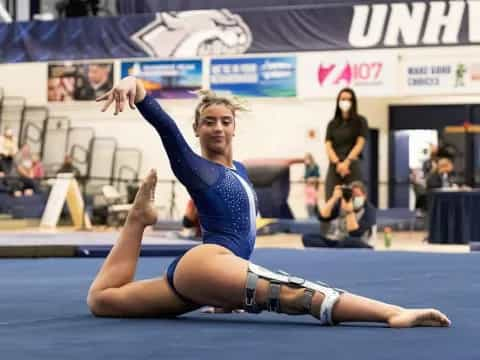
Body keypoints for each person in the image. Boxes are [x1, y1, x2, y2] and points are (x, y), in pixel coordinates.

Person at [87, 76, 450, 329]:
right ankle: (392, 313)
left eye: (224, 121)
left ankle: (138, 219)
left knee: (104, 301)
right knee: (293, 294)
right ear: (196, 129)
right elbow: (164, 125)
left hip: (209, 276)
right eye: (208, 122)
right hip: (208, 262)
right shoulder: (195, 169)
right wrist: (133, 84)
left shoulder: (241, 169)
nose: (217, 127)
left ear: (234, 127)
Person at [302, 182, 376, 249]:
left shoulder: (369, 210)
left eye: (357, 195)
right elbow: (323, 217)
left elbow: (355, 233)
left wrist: (349, 212)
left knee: (348, 241)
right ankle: (335, 250)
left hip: (361, 242)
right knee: (307, 237)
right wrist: (334, 198)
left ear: (364, 196)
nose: (353, 198)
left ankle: (333, 250)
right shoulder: (342, 203)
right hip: (338, 241)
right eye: (352, 196)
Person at [325, 88, 368, 199]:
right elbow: (328, 146)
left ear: (353, 102)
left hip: (352, 164)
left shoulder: (360, 121)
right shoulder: (332, 124)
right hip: (335, 165)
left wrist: (347, 162)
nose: (346, 102)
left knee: (356, 200)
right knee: (330, 198)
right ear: (338, 101)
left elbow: (360, 144)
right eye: (343, 99)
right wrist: (338, 163)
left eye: (349, 99)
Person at [304, 153, 320, 219]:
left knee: (313, 202)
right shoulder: (306, 167)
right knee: (309, 202)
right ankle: (311, 216)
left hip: (313, 186)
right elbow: (306, 176)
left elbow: (317, 176)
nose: (305, 161)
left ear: (310, 159)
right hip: (308, 186)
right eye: (305, 160)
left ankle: (314, 217)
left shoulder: (315, 166)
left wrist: (312, 179)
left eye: (306, 159)